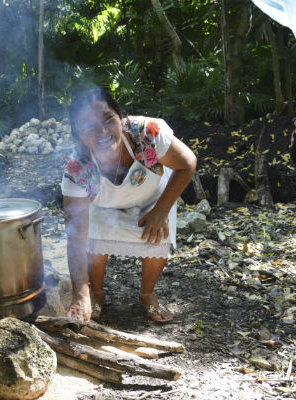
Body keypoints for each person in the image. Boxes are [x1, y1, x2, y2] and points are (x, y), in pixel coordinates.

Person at [61, 87, 197, 323]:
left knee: (157, 236)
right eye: (90, 127)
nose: (102, 131)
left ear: (121, 118)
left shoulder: (147, 134)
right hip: (105, 204)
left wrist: (161, 210)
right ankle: (95, 293)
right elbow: (76, 235)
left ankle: (147, 294)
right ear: (79, 135)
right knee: (94, 233)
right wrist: (78, 293)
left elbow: (188, 163)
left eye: (108, 119)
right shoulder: (77, 168)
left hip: (152, 198)